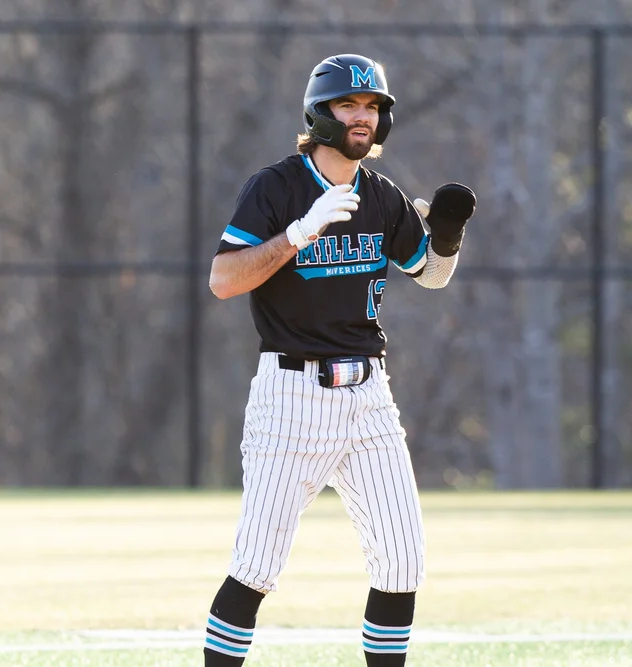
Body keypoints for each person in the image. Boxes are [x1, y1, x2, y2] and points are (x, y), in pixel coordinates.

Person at [201, 54, 476, 666]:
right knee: (256, 568)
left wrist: (449, 236)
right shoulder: (275, 187)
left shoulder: (381, 195)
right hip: (290, 396)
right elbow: (223, 279)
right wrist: (299, 233)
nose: (363, 116)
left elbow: (428, 274)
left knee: (403, 564)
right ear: (319, 114)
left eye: (373, 106)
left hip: (369, 397)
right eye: (349, 105)